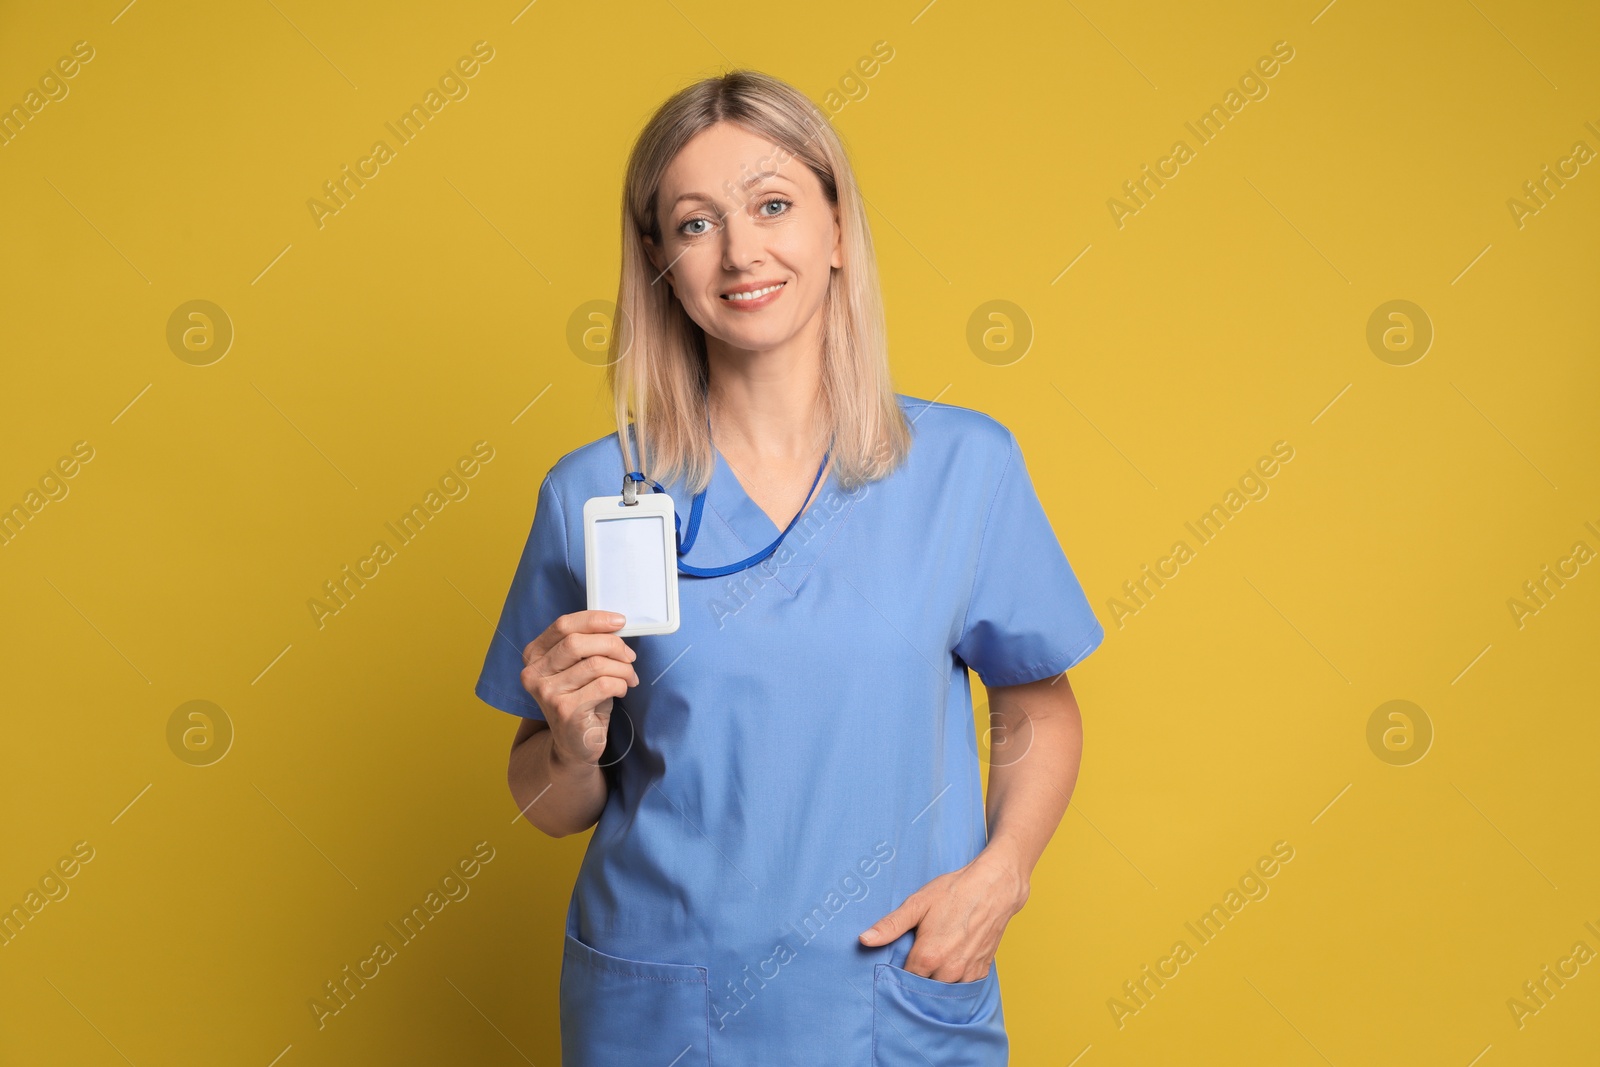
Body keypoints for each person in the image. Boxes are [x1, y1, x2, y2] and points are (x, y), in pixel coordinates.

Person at [474, 69, 1104, 1067]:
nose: (740, 251)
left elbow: (1036, 703)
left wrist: (1004, 868)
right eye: (694, 224)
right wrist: (569, 739)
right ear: (658, 262)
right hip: (664, 1005)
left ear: (838, 230)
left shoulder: (963, 468)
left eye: (773, 206)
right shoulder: (592, 493)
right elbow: (547, 802)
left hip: (893, 997)